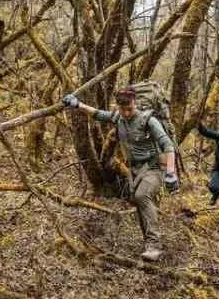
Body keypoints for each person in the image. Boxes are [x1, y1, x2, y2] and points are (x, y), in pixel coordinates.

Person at [62, 87, 178, 261]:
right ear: (118, 107)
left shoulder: (149, 120)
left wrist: (171, 173)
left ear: (135, 103)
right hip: (134, 170)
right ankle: (149, 245)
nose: (126, 113)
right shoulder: (119, 117)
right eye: (122, 109)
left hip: (154, 168)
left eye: (129, 109)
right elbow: (98, 114)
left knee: (142, 196)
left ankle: (154, 245)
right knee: (139, 203)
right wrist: (77, 104)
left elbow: (168, 145)